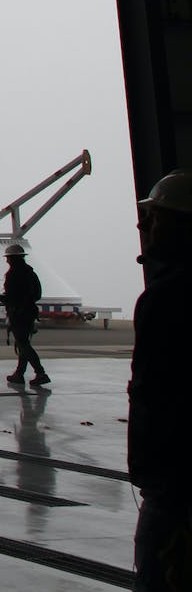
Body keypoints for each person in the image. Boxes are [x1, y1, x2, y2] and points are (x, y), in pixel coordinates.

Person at [131, 169, 192, 590]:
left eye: (156, 217)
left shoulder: (170, 296)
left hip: (174, 481)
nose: (145, 227)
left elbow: (158, 392)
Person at [0, 241, 49, 387]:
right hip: (29, 313)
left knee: (23, 344)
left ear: (13, 259)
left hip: (18, 313)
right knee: (23, 344)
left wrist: (4, 298)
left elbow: (13, 296)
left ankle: (40, 373)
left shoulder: (13, 274)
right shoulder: (31, 273)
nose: (6, 260)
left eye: (8, 258)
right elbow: (37, 294)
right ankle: (19, 374)